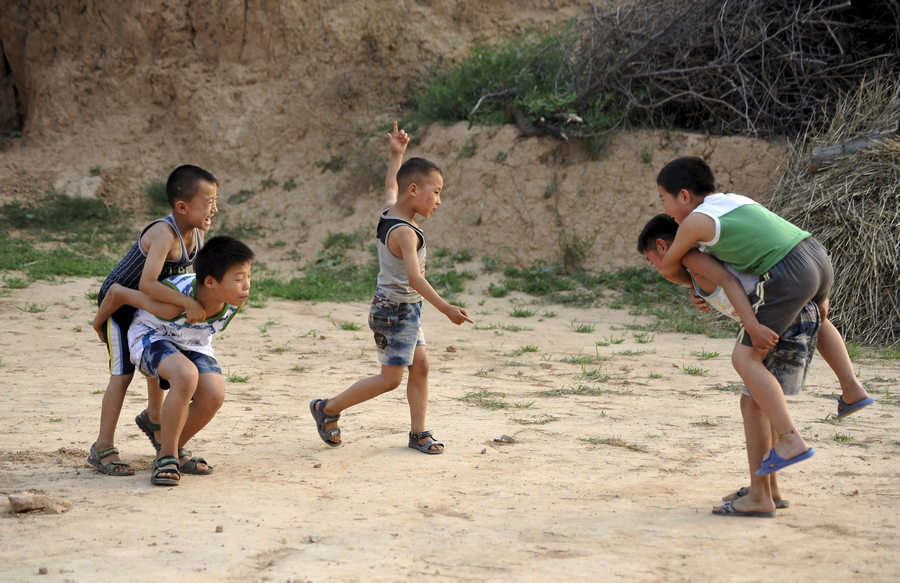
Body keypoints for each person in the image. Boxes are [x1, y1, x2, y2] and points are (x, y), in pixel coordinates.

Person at [655, 157, 874, 478]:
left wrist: (692, 283)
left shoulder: (694, 223)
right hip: (816, 256)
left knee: (744, 359)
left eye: (664, 199)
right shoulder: (734, 201)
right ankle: (852, 388)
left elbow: (669, 265)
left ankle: (790, 439)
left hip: (787, 272)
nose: (666, 210)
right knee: (821, 321)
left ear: (684, 196)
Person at [639, 213, 821, 517]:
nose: (656, 267)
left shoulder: (693, 257)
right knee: (757, 404)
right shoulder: (707, 256)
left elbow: (728, 281)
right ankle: (769, 489)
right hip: (794, 312)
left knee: (752, 406)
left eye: (651, 260)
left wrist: (751, 325)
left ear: (661, 246)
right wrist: (697, 289)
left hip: (775, 319)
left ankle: (761, 495)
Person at [309, 122, 473, 454]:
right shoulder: (405, 233)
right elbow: (415, 278)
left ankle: (418, 433)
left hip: (404, 309)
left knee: (421, 367)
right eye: (436, 192)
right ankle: (327, 408)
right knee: (390, 380)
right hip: (395, 312)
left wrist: (396, 154)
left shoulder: (390, 210)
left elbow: (389, 185)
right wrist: (446, 309)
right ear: (414, 190)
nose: (439, 200)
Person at [87, 165, 219, 477]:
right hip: (121, 305)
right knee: (122, 375)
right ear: (182, 207)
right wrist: (186, 303)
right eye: (209, 202)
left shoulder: (196, 233)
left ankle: (156, 419)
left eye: (216, 201)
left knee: (160, 352)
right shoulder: (164, 234)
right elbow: (147, 283)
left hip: (149, 307)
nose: (214, 209)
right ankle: (102, 447)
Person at [93, 235, 254, 486]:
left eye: (249, 277)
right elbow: (117, 294)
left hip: (192, 341)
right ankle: (167, 456)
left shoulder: (232, 302)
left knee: (214, 394)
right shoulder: (175, 302)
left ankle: (173, 446)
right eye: (238, 279)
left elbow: (200, 334)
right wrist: (98, 324)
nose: (247, 286)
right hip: (150, 335)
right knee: (185, 375)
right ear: (210, 282)